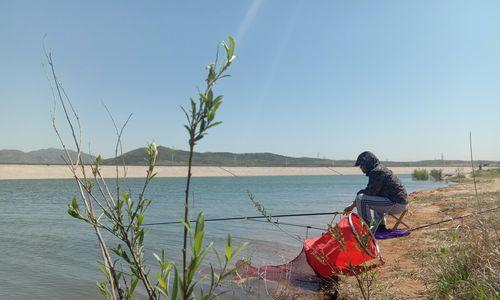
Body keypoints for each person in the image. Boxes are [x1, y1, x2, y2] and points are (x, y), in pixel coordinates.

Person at [343, 151, 408, 232]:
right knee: (374, 197)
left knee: (361, 199)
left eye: (361, 165)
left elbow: (369, 192)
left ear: (368, 163)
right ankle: (380, 226)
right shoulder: (379, 169)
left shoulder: (377, 172)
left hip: (396, 204)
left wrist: (353, 204)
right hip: (399, 203)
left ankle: (365, 229)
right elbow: (372, 192)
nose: (361, 168)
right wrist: (353, 204)